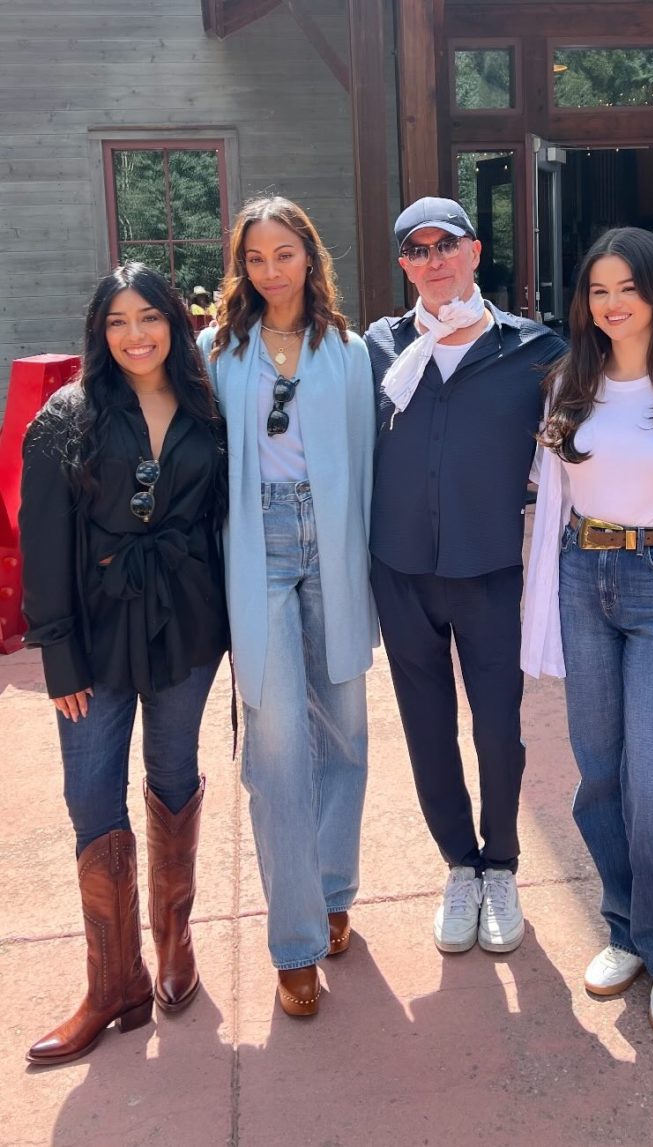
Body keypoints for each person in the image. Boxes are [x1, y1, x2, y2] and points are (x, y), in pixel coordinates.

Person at [20, 263, 228, 1064]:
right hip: (96, 635)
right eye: (118, 321)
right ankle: (113, 982)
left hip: (186, 626)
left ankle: (174, 948)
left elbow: (219, 520)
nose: (135, 335)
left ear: (174, 322)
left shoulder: (206, 408)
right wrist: (58, 654)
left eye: (149, 317)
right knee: (90, 794)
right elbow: (42, 542)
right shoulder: (67, 416)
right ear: (99, 333)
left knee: (173, 777)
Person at [521, 228, 653, 1035]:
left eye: (626, 288)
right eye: (597, 290)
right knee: (599, 773)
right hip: (584, 577)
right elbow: (552, 494)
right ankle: (625, 925)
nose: (610, 304)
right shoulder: (569, 380)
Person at [364, 197, 566, 955]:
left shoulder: (534, 350)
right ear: (404, 265)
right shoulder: (377, 348)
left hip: (487, 569)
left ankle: (502, 862)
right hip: (400, 568)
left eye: (445, 244)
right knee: (426, 725)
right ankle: (459, 863)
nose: (433, 260)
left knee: (497, 726)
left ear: (475, 252)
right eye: (416, 250)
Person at [199, 195, 376, 1017]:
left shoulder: (346, 349)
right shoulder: (217, 351)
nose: (271, 271)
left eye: (284, 254)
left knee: (344, 730)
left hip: (332, 540)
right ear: (241, 267)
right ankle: (295, 939)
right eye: (255, 258)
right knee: (274, 752)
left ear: (309, 255)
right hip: (256, 545)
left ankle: (333, 888)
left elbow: (365, 467)